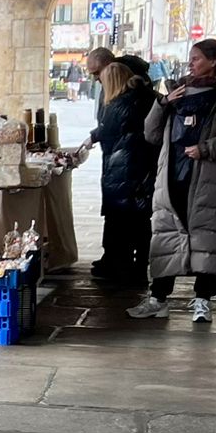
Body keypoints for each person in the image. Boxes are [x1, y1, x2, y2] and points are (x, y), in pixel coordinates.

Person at [128, 37, 216, 323]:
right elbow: (150, 134)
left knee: (208, 237)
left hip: (213, 178)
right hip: (173, 174)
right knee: (168, 235)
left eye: (197, 58)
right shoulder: (178, 91)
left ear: (213, 61)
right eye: (191, 58)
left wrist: (208, 148)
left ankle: (202, 301)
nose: (191, 63)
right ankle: (158, 298)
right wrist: (163, 103)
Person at [92, 58, 157, 282]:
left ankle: (119, 266)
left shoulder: (119, 103)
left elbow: (106, 131)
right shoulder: (146, 96)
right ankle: (140, 265)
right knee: (140, 220)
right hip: (143, 165)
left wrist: (92, 137)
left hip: (123, 167)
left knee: (118, 220)